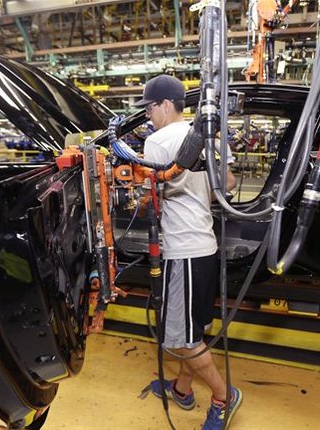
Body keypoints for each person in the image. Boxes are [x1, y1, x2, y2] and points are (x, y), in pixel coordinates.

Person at [135, 75, 240, 430]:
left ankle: (225, 397)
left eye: (149, 108)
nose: (148, 116)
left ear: (165, 104)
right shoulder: (209, 136)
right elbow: (227, 184)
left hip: (182, 250)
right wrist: (197, 195)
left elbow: (151, 196)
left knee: (179, 339)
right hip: (206, 247)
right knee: (191, 330)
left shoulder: (158, 141)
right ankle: (182, 389)